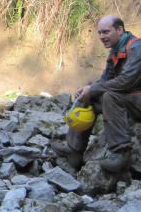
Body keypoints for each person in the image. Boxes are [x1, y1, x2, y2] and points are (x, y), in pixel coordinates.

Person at [54, 15, 141, 175]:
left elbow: (127, 81)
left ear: (120, 30)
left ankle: (121, 154)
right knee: (88, 96)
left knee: (109, 96)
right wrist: (88, 89)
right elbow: (105, 79)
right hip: (130, 100)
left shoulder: (137, 48)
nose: (102, 37)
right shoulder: (115, 50)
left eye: (106, 32)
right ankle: (74, 149)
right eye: (100, 33)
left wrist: (94, 89)